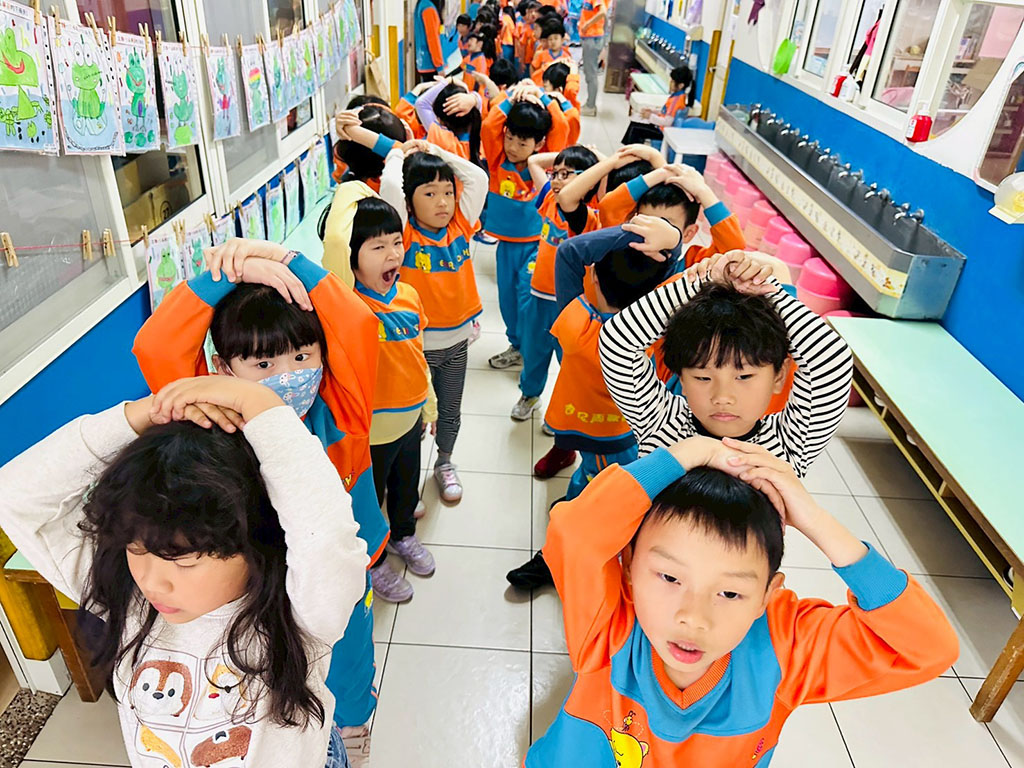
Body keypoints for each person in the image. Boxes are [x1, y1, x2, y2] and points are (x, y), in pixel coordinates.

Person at [0, 375, 370, 768]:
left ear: (257, 546)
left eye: (184, 560)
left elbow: (325, 537)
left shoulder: (300, 614)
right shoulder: (127, 599)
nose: (151, 580)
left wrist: (259, 405)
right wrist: (146, 415)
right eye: (135, 549)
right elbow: (14, 496)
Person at [526, 431, 959, 764]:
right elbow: (573, 533)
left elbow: (928, 648)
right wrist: (691, 452)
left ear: (768, 595)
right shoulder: (609, 625)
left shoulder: (784, 649)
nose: (694, 617)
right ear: (627, 570)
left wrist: (814, 518)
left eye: (730, 592)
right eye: (670, 577)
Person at [132, 240, 385, 765]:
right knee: (270, 664)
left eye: (301, 357)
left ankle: (354, 722)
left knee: (349, 650)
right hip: (256, 581)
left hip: (337, 573)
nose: (287, 374)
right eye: (263, 362)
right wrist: (223, 275)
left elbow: (357, 324)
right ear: (221, 370)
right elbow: (158, 346)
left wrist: (287, 263)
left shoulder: (342, 413)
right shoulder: (212, 421)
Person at [599, 227, 854, 473]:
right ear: (682, 379)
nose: (722, 397)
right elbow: (618, 340)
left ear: (779, 376)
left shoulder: (788, 445)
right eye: (703, 377)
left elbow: (831, 360)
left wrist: (766, 291)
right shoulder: (661, 424)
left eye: (743, 376)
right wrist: (703, 282)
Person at [508, 217, 675, 591]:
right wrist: (671, 242)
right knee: (600, 482)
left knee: (597, 492)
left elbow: (569, 252)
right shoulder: (654, 329)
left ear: (594, 278)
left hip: (591, 434)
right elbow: (673, 283)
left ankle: (561, 556)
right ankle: (576, 525)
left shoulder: (577, 323)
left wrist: (629, 233)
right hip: (623, 432)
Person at [335, 191, 439, 601]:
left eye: (397, 242)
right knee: (368, 501)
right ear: (351, 256)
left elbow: (418, 355)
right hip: (371, 431)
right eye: (377, 247)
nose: (393, 253)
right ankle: (374, 561)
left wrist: (429, 403)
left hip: (410, 420)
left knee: (406, 487)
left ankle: (403, 534)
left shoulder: (409, 295)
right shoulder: (347, 303)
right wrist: (354, 190)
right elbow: (334, 242)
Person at [379, 139, 489, 504]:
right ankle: (404, 480)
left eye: (448, 193)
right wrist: (399, 153)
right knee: (412, 419)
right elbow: (391, 187)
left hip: (456, 344)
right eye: (430, 194)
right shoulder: (404, 235)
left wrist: (436, 151)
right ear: (410, 203)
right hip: (415, 349)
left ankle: (444, 462)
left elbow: (477, 178)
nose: (443, 202)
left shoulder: (460, 225)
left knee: (450, 411)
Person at [480, 80, 569, 370]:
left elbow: (563, 127)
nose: (513, 147)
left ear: (539, 144)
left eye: (522, 143)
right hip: (506, 244)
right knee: (506, 299)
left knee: (525, 296)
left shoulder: (544, 165)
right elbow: (489, 125)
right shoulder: (497, 160)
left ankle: (531, 351)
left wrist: (542, 95)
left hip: (536, 245)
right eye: (510, 139)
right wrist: (511, 96)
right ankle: (516, 345)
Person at [511, 145, 600, 422]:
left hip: (571, 304)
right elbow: (535, 161)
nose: (558, 180)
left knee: (569, 359)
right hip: (539, 295)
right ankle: (530, 394)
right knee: (533, 350)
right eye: (556, 174)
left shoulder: (590, 216)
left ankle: (567, 403)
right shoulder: (550, 199)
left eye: (566, 174)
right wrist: (571, 156)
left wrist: (598, 162)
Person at [330, 104, 407, 193]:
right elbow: (398, 151)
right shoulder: (397, 179)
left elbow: (397, 151)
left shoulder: (381, 187)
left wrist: (352, 131)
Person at [621, 64, 698, 145]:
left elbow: (667, 122)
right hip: (660, 127)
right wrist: (653, 111)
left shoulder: (676, 101)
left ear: (681, 85)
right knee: (634, 125)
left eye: (672, 81)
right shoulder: (678, 96)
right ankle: (627, 149)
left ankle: (631, 151)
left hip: (663, 132)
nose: (670, 83)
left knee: (635, 130)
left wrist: (650, 116)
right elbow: (665, 112)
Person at [578, 0, 607, 116]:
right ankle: (590, 104)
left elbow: (602, 12)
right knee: (589, 72)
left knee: (591, 73)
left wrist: (587, 24)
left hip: (592, 38)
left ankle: (590, 106)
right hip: (592, 37)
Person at [541, 62, 580, 143]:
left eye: (545, 87)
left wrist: (573, 71)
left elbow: (571, 89)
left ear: (559, 90)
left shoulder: (569, 109)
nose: (543, 92)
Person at [414, 0, 449, 81]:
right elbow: (433, 40)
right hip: (431, 65)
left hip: (425, 62)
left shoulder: (422, 4)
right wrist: (439, 66)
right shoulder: (428, 8)